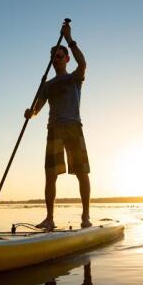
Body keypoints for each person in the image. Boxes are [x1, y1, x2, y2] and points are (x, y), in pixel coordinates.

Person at [25, 22, 90, 230]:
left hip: (73, 127)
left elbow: (83, 63)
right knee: (50, 175)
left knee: (81, 173)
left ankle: (85, 217)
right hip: (53, 129)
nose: (56, 59)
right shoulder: (47, 85)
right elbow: (38, 108)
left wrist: (69, 39)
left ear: (66, 59)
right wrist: (31, 113)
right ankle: (50, 218)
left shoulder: (74, 78)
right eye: (53, 57)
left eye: (60, 56)